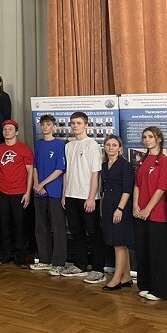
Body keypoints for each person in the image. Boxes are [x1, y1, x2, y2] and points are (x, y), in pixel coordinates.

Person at [61, 112, 106, 283]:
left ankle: (98, 269)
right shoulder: (69, 146)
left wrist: (91, 197)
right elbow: (66, 172)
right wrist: (64, 195)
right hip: (71, 195)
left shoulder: (92, 145)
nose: (75, 126)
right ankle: (80, 265)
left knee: (93, 233)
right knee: (76, 232)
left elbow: (95, 174)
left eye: (79, 123)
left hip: (87, 197)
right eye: (73, 123)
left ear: (86, 125)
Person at [131, 126, 167, 299]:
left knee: (157, 253)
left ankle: (159, 291)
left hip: (157, 214)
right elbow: (137, 184)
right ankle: (145, 285)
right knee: (142, 251)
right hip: (140, 214)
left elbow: (162, 188)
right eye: (144, 137)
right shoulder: (143, 160)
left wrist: (148, 208)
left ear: (158, 139)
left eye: (150, 136)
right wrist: (135, 204)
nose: (146, 140)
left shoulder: (163, 161)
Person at [0, 119, 33, 268]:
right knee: (4, 224)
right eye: (5, 129)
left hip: (19, 192)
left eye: (10, 129)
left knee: (19, 225)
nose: (7, 131)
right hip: (1, 191)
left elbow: (30, 172)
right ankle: (6, 254)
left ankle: (20, 256)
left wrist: (28, 192)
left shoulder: (24, 149)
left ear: (16, 132)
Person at [30, 115, 67, 274]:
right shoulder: (38, 144)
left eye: (48, 124)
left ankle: (58, 262)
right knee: (41, 227)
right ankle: (44, 259)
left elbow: (60, 169)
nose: (45, 127)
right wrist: (36, 184)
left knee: (57, 228)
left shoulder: (60, 144)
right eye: (43, 124)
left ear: (54, 127)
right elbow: (35, 167)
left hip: (54, 192)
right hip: (39, 193)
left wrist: (43, 184)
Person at [100, 134, 135, 291]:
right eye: (108, 145)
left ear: (120, 148)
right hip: (108, 205)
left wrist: (120, 208)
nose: (111, 147)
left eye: (114, 145)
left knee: (119, 243)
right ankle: (126, 277)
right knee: (119, 242)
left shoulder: (125, 165)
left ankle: (116, 280)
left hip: (121, 206)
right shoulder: (104, 165)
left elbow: (127, 190)